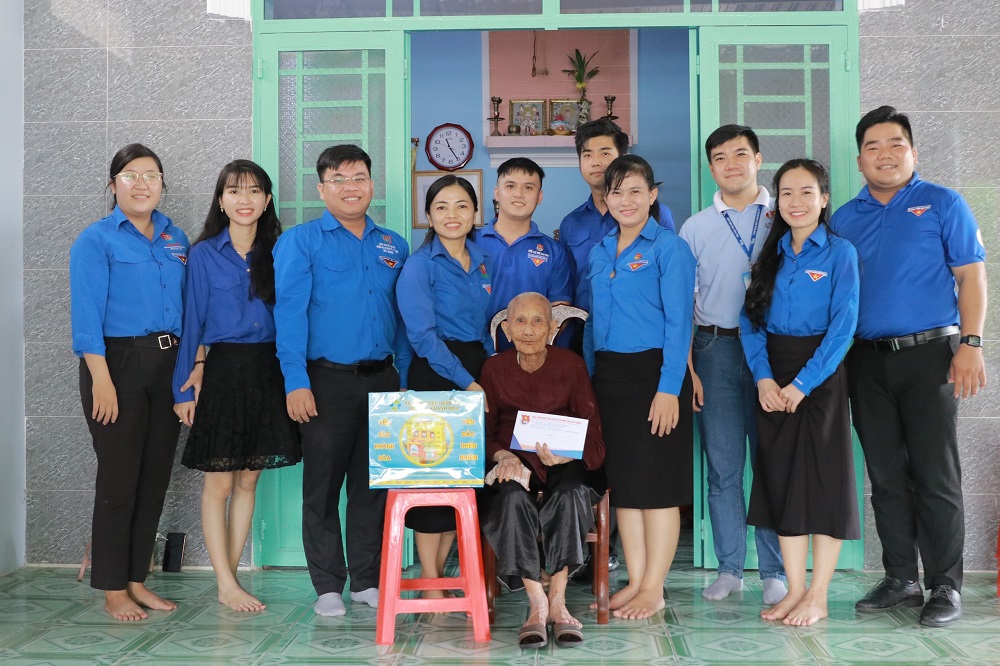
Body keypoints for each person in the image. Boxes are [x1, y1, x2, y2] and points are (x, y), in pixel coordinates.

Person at [831, 106, 987, 628]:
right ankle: (901, 577)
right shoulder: (844, 218)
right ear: (859, 159)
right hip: (865, 361)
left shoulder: (943, 203)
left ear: (913, 151)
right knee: (885, 475)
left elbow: (971, 276)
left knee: (935, 473)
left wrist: (971, 343)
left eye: (895, 143)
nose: (885, 154)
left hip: (931, 357)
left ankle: (945, 584)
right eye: (873, 146)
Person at [273, 144, 411, 617]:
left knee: (372, 486)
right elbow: (289, 314)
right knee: (323, 486)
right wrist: (295, 381)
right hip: (324, 381)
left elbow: (403, 318)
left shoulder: (393, 244)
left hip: (383, 380)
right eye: (339, 179)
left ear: (372, 184)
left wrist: (403, 378)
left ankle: (366, 581)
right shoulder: (301, 242)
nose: (350, 188)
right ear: (321, 189)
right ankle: (328, 585)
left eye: (359, 178)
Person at [172, 160, 301, 612]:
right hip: (223, 372)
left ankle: (230, 580)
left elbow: (296, 316)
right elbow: (192, 322)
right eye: (234, 191)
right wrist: (184, 387)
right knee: (219, 484)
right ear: (221, 201)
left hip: (269, 370)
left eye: (253, 191)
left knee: (249, 480)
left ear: (267, 200)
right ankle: (225, 582)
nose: (244, 199)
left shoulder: (282, 251)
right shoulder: (203, 254)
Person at [69, 143, 189, 621]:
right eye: (131, 175)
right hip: (116, 365)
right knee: (119, 480)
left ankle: (137, 579)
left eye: (151, 175)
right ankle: (112, 588)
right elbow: (86, 317)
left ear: (162, 184)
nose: (142, 184)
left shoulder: (175, 237)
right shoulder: (96, 240)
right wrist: (101, 379)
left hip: (169, 362)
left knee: (154, 478)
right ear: (113, 184)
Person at [740, 159, 860, 626]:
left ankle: (819, 595)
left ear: (823, 199)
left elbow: (843, 326)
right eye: (786, 193)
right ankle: (794, 590)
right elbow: (750, 323)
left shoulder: (840, 253)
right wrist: (764, 379)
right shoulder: (768, 258)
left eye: (806, 192)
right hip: (772, 378)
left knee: (825, 485)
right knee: (781, 482)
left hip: (820, 378)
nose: (796, 201)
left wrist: (803, 384)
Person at [678, 124, 786, 605]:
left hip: (774, 353)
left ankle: (774, 571)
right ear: (711, 168)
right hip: (715, 351)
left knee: (771, 464)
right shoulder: (695, 227)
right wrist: (690, 369)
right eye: (720, 158)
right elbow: (683, 303)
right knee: (722, 468)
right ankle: (729, 569)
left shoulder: (784, 215)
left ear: (758, 160)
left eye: (740, 154)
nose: (731, 164)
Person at [584, 154, 696, 620]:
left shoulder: (670, 248)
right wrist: (591, 384)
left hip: (656, 376)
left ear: (652, 195)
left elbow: (680, 323)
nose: (626, 200)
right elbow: (593, 325)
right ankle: (634, 580)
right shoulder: (598, 251)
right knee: (625, 487)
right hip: (611, 379)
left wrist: (669, 388)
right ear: (606, 199)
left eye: (635, 191)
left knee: (658, 486)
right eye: (617, 192)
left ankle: (654, 587)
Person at [479, 292, 605, 649]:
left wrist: (569, 454)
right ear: (506, 329)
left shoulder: (571, 365)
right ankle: (537, 603)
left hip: (563, 462)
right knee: (508, 498)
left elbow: (594, 434)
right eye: (520, 321)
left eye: (538, 322)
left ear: (552, 329)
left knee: (570, 493)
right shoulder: (494, 369)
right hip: (513, 462)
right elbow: (482, 432)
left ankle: (559, 600)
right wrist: (502, 454)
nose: (529, 330)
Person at [395, 175, 493, 596]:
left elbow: (485, 326)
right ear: (428, 216)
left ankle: (438, 577)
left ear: (475, 213)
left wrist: (488, 373)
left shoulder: (483, 260)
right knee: (431, 480)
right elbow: (422, 337)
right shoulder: (419, 265)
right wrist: (468, 382)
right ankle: (431, 583)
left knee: (462, 478)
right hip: (436, 375)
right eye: (441, 207)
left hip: (474, 371)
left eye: (461, 206)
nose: (452, 215)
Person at [558, 118, 675, 315]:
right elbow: (567, 285)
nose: (596, 162)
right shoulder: (571, 223)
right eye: (587, 155)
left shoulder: (655, 214)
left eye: (605, 153)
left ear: (623, 157)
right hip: (586, 324)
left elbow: (670, 278)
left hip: (640, 323)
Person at [474, 158, 573, 329]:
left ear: (539, 196)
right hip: (475, 343)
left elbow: (559, 312)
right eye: (510, 186)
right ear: (497, 193)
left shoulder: (554, 252)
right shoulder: (470, 241)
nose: (518, 194)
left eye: (528, 187)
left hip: (532, 345)